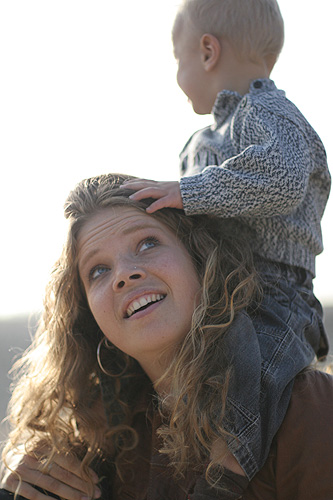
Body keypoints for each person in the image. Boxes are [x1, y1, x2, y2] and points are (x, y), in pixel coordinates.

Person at [1, 174, 333, 500]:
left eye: (147, 243)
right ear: (89, 316)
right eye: (98, 270)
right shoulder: (94, 444)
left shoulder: (305, 406)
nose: (125, 274)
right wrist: (17, 482)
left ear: (202, 263)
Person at [121, 0, 331, 489]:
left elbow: (280, 178)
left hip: (272, 293)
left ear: (208, 51)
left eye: (179, 59)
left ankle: (224, 478)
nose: (178, 72)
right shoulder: (202, 139)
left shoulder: (265, 112)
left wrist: (188, 192)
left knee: (245, 371)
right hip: (220, 289)